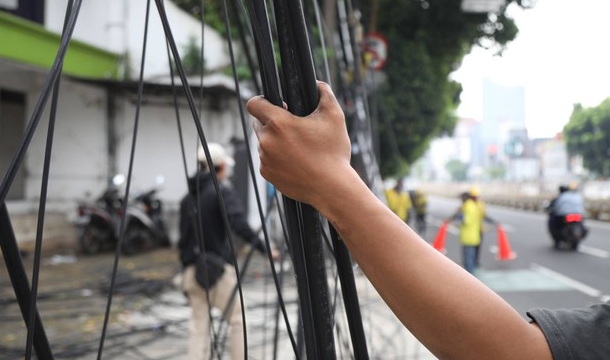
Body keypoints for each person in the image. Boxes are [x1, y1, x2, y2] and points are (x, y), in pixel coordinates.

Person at [247, 81, 610, 360]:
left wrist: (332, 184)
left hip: (416, 226)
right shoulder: (438, 200)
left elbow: (515, 352)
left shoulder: (451, 202)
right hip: (410, 226)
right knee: (466, 263)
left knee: (469, 263)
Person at [178, 142, 277, 360]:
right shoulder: (221, 192)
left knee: (198, 328)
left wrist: (186, 274)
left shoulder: (187, 199)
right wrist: (265, 249)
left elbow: (182, 241)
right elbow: (239, 224)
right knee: (237, 320)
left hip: (193, 272)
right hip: (218, 272)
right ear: (221, 168)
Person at [448, 192, 481, 274]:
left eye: (461, 198)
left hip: (469, 237)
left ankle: (469, 279)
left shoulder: (469, 207)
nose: (460, 200)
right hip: (471, 236)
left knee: (468, 260)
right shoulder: (470, 205)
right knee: (469, 258)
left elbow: (467, 221)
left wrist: (459, 215)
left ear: (465, 197)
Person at [546, 183, 586, 248]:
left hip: (564, 215)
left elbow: (556, 206)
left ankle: (557, 238)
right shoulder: (577, 195)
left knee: (553, 222)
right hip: (578, 214)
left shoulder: (561, 196)